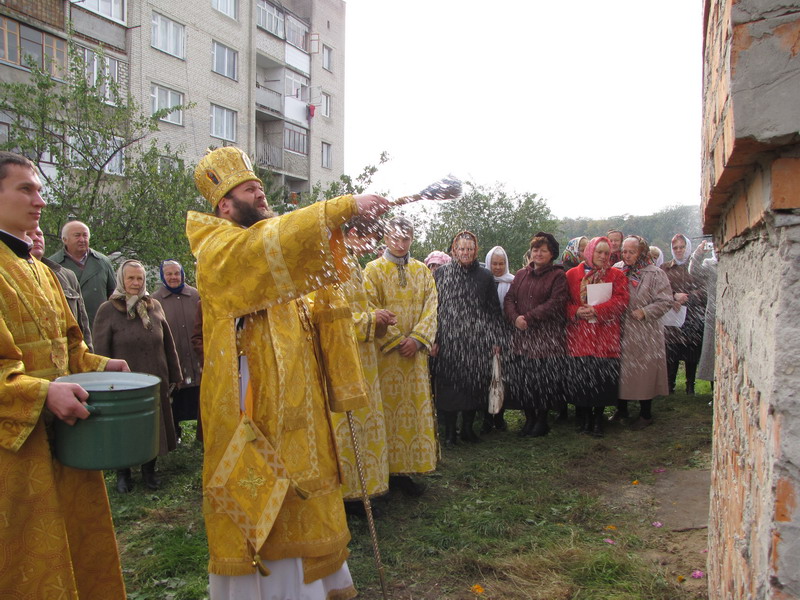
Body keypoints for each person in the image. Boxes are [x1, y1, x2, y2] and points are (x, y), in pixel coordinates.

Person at [187, 146, 389, 599]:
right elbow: (267, 246)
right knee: (265, 494)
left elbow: (311, 296)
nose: (260, 193)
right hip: (252, 402)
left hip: (300, 400)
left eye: (260, 186)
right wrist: (342, 207)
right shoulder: (217, 248)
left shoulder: (272, 251)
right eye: (249, 189)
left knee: (307, 489)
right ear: (224, 205)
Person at [0, 151, 129, 598]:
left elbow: (70, 348)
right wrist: (43, 394)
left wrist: (103, 366)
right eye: (26, 189)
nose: (40, 200)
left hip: (67, 437)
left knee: (75, 546)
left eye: (39, 189)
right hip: (16, 451)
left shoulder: (41, 270)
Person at [93, 259, 181, 492]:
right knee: (125, 427)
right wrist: (103, 380)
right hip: (124, 382)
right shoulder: (108, 310)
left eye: (139, 278)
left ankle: (149, 471)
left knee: (152, 425)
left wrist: (175, 374)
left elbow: (168, 343)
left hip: (155, 376)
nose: (135, 283)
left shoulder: (154, 306)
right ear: (121, 280)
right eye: (130, 278)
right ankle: (123, 474)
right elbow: (100, 351)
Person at [363, 217, 438, 492]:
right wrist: (396, 340)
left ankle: (407, 471)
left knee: (411, 414)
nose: (400, 243)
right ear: (386, 238)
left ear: (412, 239)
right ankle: (385, 473)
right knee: (387, 414)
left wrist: (417, 340)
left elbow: (431, 307)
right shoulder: (373, 270)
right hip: (386, 358)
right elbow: (369, 307)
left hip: (414, 357)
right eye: (395, 238)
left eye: (406, 238)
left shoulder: (422, 271)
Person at [331, 215, 394, 512]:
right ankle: (349, 496)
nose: (372, 248)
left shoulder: (352, 261)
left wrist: (377, 315)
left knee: (365, 425)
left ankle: (366, 489)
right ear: (353, 232)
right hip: (343, 360)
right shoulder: (331, 263)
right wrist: (370, 318)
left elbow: (360, 304)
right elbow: (329, 319)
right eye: (370, 240)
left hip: (364, 358)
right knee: (348, 429)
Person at [432, 231, 502, 445]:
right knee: (449, 387)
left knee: (474, 385)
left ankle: (468, 430)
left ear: (475, 250)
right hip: (448, 339)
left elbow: (493, 310)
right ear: (454, 250)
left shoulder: (485, 276)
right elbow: (434, 308)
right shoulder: (441, 273)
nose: (465, 252)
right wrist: (434, 339)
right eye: (461, 248)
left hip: (476, 340)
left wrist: (495, 339)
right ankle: (450, 433)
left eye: (470, 249)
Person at [503, 233, 568, 437]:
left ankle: (541, 421)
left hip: (546, 339)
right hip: (522, 339)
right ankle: (529, 418)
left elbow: (556, 303)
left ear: (552, 254)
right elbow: (509, 298)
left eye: (543, 250)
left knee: (542, 382)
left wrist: (528, 318)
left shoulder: (558, 276)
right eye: (535, 250)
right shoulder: (522, 274)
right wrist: (515, 318)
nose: (538, 254)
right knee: (524, 381)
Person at [565, 236, 629, 437]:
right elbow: (563, 302)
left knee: (601, 380)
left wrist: (598, 310)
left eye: (606, 253)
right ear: (590, 252)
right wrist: (575, 311)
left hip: (605, 336)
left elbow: (622, 301)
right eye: (599, 252)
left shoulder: (616, 275)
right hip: (580, 336)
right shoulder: (571, 275)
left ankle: (598, 419)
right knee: (582, 379)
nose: (603, 256)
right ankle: (584, 419)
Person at [615, 236, 673, 429]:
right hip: (621, 329)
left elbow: (666, 301)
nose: (627, 255)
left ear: (641, 253)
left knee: (643, 372)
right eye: (624, 251)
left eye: (632, 252)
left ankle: (645, 414)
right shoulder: (617, 270)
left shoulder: (655, 274)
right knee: (621, 371)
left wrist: (645, 311)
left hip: (644, 331)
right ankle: (621, 409)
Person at [152, 259, 203, 443]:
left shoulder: (196, 295)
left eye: (176, 273)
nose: (173, 277)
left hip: (196, 357)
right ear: (162, 276)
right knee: (174, 397)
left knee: (200, 397)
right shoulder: (155, 300)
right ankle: (175, 434)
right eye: (169, 274)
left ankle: (202, 434)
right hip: (174, 358)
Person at [27, 225, 94, 350]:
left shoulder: (67, 276)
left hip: (69, 355)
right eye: (28, 234)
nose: (36, 238)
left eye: (39, 234)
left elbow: (83, 325)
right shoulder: (9, 276)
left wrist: (89, 354)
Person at [661, 234, 707, 395]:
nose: (679, 250)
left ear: (688, 248)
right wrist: (673, 296)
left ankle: (690, 386)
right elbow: (660, 288)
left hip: (692, 314)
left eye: (682, 247)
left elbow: (705, 288)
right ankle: (670, 385)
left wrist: (689, 296)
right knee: (671, 350)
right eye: (675, 248)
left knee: (691, 350)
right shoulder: (665, 268)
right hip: (673, 313)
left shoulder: (696, 266)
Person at [48, 219, 116, 327]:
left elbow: (114, 295)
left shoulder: (103, 262)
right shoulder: (53, 265)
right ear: (65, 240)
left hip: (99, 327)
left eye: (85, 235)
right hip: (68, 327)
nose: (82, 239)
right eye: (77, 235)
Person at [482, 245, 515, 433]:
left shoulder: (512, 282)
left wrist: (501, 338)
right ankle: (486, 418)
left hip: (507, 336)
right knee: (486, 378)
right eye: (494, 263)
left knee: (503, 377)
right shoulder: (482, 281)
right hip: (485, 337)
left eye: (501, 263)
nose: (497, 267)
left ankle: (500, 416)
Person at [689, 240, 718, 387]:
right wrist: (699, 253)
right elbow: (693, 270)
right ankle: (714, 389)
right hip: (713, 313)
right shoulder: (709, 264)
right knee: (711, 352)